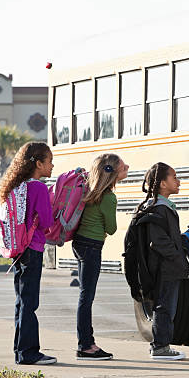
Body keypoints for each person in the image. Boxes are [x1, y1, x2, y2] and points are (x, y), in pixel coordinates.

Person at [0, 141, 55, 365]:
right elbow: (47, 222)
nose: (52, 166)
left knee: (22, 301)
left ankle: (20, 350)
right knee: (30, 302)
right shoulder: (38, 188)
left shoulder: (17, 186)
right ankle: (29, 353)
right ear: (38, 163)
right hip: (33, 248)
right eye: (49, 162)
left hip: (18, 249)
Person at [73, 153, 128, 360]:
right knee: (86, 298)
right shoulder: (109, 197)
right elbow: (112, 229)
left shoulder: (90, 191)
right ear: (112, 174)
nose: (127, 168)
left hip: (79, 243)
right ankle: (86, 346)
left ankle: (87, 343)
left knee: (84, 296)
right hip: (92, 246)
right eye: (123, 168)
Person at [137, 162, 189, 360]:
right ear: (162, 184)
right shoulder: (159, 209)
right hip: (165, 268)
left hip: (167, 267)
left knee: (167, 306)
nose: (178, 181)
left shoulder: (161, 207)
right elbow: (159, 241)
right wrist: (178, 256)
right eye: (174, 177)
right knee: (165, 306)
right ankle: (160, 347)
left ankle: (162, 345)